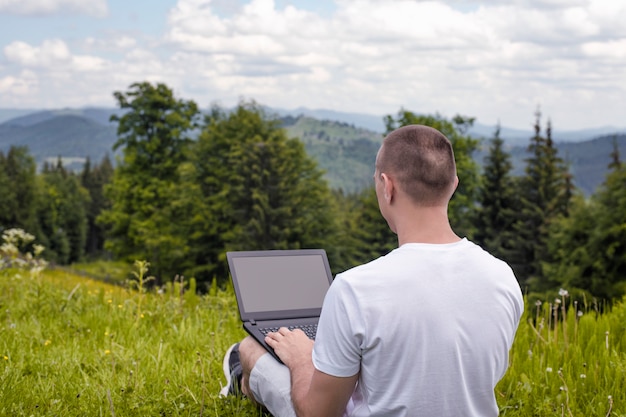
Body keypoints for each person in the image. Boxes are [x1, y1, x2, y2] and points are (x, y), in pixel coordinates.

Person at [220, 124, 524, 417]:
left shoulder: (356, 288)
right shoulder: (502, 277)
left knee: (250, 348)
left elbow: (317, 414)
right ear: (453, 185)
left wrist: (302, 359)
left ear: (387, 186)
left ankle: (243, 379)